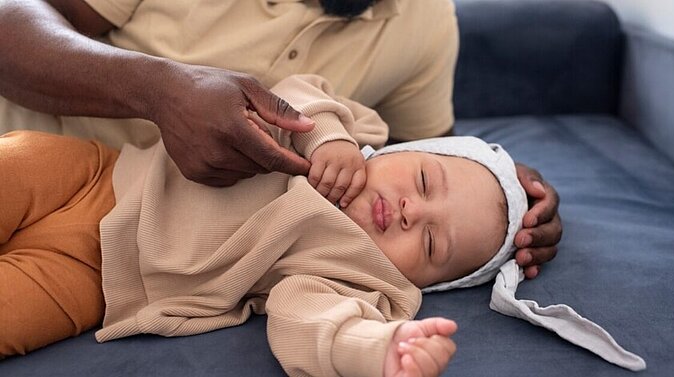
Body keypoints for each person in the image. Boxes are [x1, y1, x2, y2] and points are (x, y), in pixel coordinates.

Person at [1, 75, 528, 377]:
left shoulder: (357, 277)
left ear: (423, 285)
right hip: (95, 174)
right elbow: (296, 93)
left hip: (95, 280)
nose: (414, 210)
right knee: (12, 167)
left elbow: (306, 320)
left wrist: (376, 347)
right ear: (400, 150)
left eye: (433, 243)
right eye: (423, 180)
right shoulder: (350, 136)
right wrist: (328, 139)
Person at [0, 0, 561, 279]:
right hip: (41, 155)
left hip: (111, 264)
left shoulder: (427, 22)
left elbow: (424, 159)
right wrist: (155, 89)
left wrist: (509, 202)